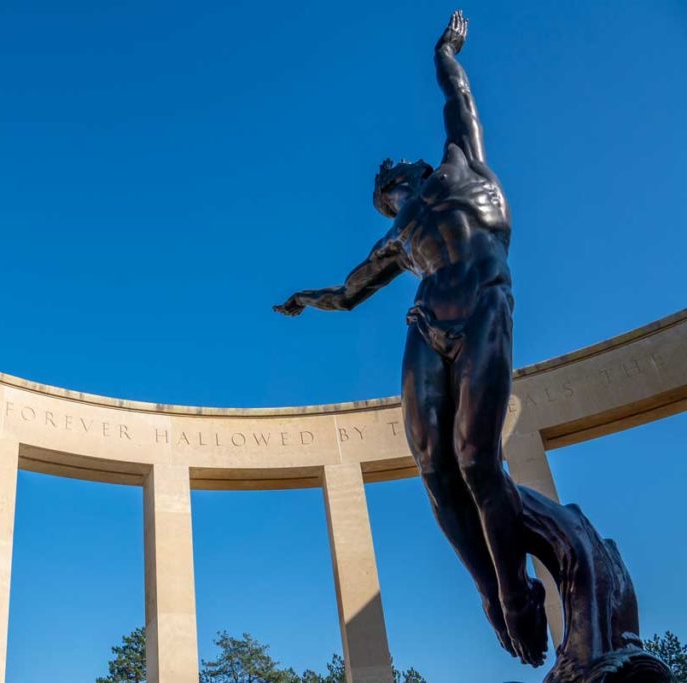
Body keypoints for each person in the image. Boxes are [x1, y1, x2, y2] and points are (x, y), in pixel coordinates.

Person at [274, 11, 548, 666]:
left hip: (483, 301)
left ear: (416, 169)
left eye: (392, 176)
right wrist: (303, 301)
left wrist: (445, 49)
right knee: (434, 467)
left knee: (477, 458)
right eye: (382, 188)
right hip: (427, 325)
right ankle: (487, 589)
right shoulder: (395, 241)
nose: (388, 183)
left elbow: (459, 97)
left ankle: (514, 590)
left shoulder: (461, 165)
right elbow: (347, 292)